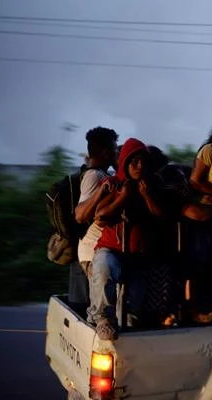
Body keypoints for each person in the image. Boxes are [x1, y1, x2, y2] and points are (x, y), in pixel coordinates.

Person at [87, 138, 164, 340]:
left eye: (142, 162)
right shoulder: (113, 184)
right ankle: (102, 319)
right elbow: (100, 217)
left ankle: (127, 326)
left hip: (138, 255)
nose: (139, 166)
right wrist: (121, 198)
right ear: (125, 163)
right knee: (104, 269)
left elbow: (161, 217)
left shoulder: (152, 185)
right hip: (111, 249)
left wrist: (146, 196)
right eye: (134, 161)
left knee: (134, 306)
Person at [72, 127, 119, 315]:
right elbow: (80, 215)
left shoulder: (100, 173)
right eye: (115, 149)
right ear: (106, 152)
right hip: (93, 253)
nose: (117, 152)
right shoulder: (94, 176)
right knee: (102, 310)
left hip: (98, 251)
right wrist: (101, 191)